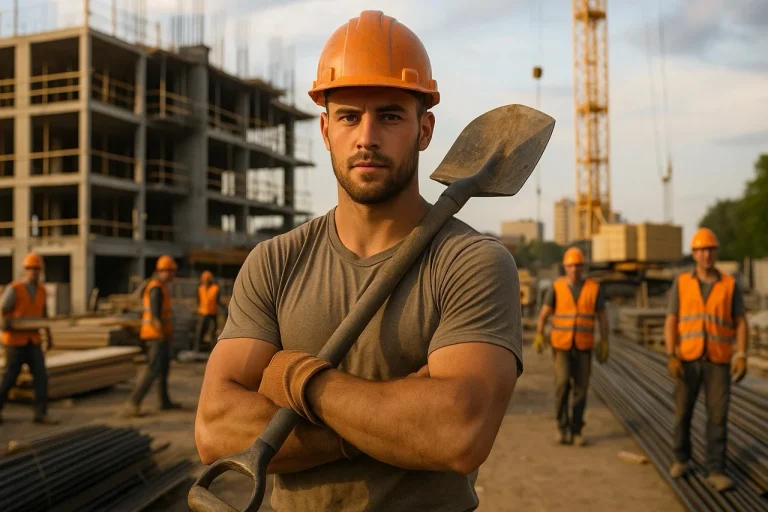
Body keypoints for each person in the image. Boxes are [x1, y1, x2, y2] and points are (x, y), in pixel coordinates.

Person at [195, 10, 523, 511]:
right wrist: (381, 425)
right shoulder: (275, 262)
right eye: (349, 116)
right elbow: (217, 428)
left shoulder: (471, 263)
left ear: (425, 128)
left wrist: (295, 379)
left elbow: (458, 432)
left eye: (390, 115)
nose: (367, 137)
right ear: (326, 130)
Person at [665, 227, 748, 492]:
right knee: (682, 413)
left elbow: (741, 322)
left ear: (716, 252)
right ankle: (681, 459)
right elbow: (671, 321)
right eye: (701, 250)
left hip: (718, 360)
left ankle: (715, 469)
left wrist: (742, 354)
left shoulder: (729, 285)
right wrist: (671, 354)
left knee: (717, 416)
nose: (706, 255)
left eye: (710, 249)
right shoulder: (681, 283)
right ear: (694, 254)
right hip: (687, 359)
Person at [534, 246, 609, 446]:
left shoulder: (594, 288)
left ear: (582, 267)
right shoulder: (556, 287)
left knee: (581, 389)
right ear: (565, 267)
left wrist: (604, 340)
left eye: (577, 265)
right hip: (561, 345)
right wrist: (540, 334)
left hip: (584, 346)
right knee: (563, 383)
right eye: (570, 265)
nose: (574, 269)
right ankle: (562, 426)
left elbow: (602, 316)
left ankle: (576, 430)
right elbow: (544, 313)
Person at [0, 252, 58, 425]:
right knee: (9, 378)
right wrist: (5, 324)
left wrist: (49, 336)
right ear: (25, 270)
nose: (33, 272)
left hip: (33, 341)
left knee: (41, 376)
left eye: (36, 269)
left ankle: (41, 413)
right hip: (14, 343)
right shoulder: (14, 289)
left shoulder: (42, 291)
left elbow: (44, 316)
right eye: (30, 269)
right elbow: (2, 309)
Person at [122, 255, 181, 416]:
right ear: (163, 271)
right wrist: (162, 334)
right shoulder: (156, 288)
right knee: (152, 369)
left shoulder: (160, 287)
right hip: (155, 335)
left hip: (161, 334)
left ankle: (164, 401)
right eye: (171, 272)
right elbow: (155, 316)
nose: (172, 276)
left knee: (163, 369)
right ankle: (133, 403)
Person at [192, 270, 223, 352]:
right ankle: (197, 349)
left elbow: (218, 300)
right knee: (199, 331)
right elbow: (198, 300)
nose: (205, 281)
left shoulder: (215, 288)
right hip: (202, 313)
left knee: (213, 331)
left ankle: (212, 350)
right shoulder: (200, 288)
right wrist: (197, 309)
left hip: (213, 313)